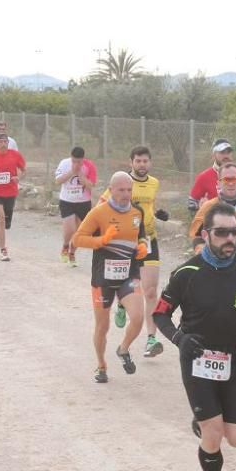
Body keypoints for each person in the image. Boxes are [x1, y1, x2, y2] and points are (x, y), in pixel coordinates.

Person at [153, 202, 236, 471]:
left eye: (235, 231)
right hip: (198, 361)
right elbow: (160, 313)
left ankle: (204, 420)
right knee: (214, 435)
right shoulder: (186, 274)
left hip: (234, 360)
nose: (230, 238)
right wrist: (178, 339)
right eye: (221, 232)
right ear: (206, 234)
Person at [71, 172, 149, 382]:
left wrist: (143, 245)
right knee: (102, 326)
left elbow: (142, 234)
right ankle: (101, 365)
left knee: (139, 316)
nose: (126, 194)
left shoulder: (137, 212)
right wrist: (101, 240)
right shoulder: (99, 213)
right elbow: (77, 238)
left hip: (128, 275)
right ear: (111, 190)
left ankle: (123, 349)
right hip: (102, 278)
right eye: (121, 190)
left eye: (129, 190)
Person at [97, 146, 168, 356]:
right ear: (131, 163)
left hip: (149, 240)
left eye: (145, 161)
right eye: (138, 161)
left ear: (150, 163)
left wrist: (158, 214)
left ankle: (151, 339)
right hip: (126, 241)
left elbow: (149, 207)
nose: (142, 164)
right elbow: (101, 205)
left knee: (151, 290)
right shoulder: (122, 183)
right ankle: (121, 304)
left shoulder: (154, 183)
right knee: (125, 283)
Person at [55, 146, 98, 266]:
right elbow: (58, 181)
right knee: (70, 229)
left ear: (83, 159)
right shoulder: (64, 163)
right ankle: (65, 246)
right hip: (67, 201)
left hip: (83, 202)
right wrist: (71, 172)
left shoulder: (89, 166)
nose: (76, 163)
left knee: (79, 232)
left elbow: (91, 185)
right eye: (74, 161)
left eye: (78, 161)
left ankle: (72, 253)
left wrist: (80, 175)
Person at [187, 139, 236, 213]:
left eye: (228, 152)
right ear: (213, 155)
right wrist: (202, 207)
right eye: (222, 152)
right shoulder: (204, 176)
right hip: (212, 221)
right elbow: (191, 204)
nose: (226, 156)